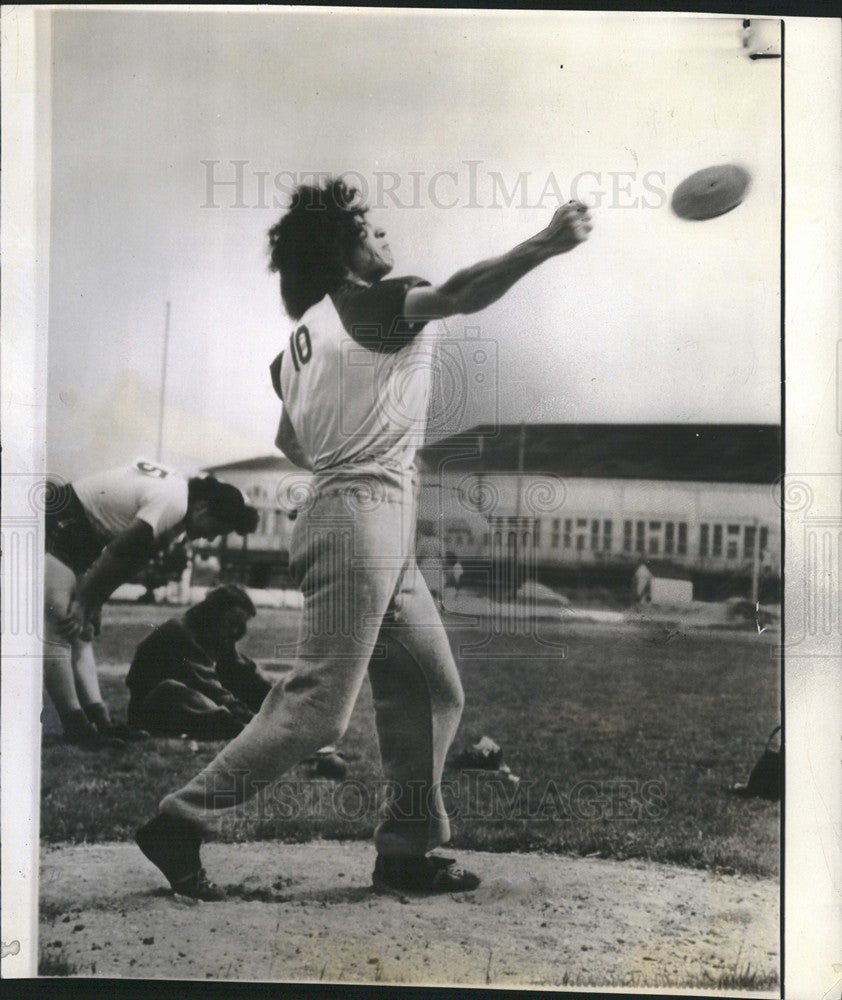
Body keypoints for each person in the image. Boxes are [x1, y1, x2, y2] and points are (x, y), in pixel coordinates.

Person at [136, 177, 592, 899]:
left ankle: (408, 851)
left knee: (432, 688)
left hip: (360, 514)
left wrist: (353, 465)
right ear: (341, 248)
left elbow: (290, 439)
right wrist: (545, 242)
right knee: (319, 710)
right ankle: (179, 822)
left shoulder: (294, 347)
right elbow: (462, 292)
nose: (384, 237)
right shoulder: (378, 299)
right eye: (369, 228)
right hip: (363, 516)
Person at [43, 460, 259, 747]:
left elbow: (130, 561)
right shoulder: (174, 502)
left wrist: (96, 602)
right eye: (216, 529)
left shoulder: (178, 503)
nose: (210, 537)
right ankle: (76, 726)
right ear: (203, 508)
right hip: (62, 521)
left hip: (81, 532)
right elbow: (119, 551)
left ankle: (100, 721)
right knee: (61, 625)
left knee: (81, 632)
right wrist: (85, 601)